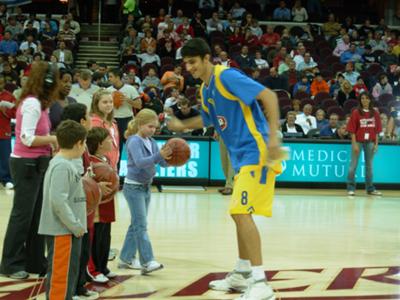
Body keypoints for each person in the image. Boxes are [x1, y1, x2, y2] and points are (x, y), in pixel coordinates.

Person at [168, 38, 284, 299]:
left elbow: (269, 96)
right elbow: (208, 119)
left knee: (241, 212)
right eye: (186, 63)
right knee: (237, 214)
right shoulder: (205, 89)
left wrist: (274, 137)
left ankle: (261, 282)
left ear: (207, 58)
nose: (190, 68)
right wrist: (180, 126)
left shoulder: (226, 77)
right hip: (242, 157)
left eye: (193, 62)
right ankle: (243, 274)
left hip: (257, 151)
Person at [0, 62, 59, 279]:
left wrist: (50, 142)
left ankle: (35, 261)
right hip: (25, 164)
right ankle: (10, 263)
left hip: (38, 163)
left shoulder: (41, 104)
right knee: (22, 216)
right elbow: (26, 138)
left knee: (37, 217)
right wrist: (54, 138)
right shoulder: (33, 103)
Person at [38, 120, 87, 300]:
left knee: (67, 278)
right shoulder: (61, 166)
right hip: (62, 232)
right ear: (78, 143)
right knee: (61, 280)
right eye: (85, 142)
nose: (85, 147)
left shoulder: (65, 163)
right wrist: (75, 225)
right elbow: (58, 201)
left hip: (67, 231)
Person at [118, 109, 172, 274]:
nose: (152, 130)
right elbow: (141, 163)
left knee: (136, 225)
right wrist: (159, 155)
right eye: (150, 126)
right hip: (133, 188)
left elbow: (161, 163)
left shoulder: (152, 141)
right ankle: (147, 262)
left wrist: (173, 158)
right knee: (141, 225)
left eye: (155, 127)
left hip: (146, 186)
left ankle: (125, 259)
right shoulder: (134, 141)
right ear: (140, 124)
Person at [88, 89, 119, 282]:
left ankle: (103, 266)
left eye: (110, 102)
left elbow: (115, 150)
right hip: (98, 175)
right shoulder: (94, 123)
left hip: (110, 172)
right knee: (97, 225)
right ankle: (93, 268)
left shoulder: (113, 123)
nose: (108, 105)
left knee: (106, 224)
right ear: (96, 104)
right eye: (104, 102)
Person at [346, 92, 382, 196]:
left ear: (370, 99)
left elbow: (376, 131)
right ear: (360, 100)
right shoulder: (356, 112)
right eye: (362, 98)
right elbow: (352, 130)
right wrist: (354, 145)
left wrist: (376, 144)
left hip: (370, 142)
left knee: (369, 166)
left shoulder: (375, 113)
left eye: (367, 98)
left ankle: (370, 189)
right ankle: (350, 188)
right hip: (358, 141)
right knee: (353, 165)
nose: (365, 100)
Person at [107, 68, 142, 171]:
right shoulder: (107, 90)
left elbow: (139, 105)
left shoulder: (130, 89)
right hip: (113, 121)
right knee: (115, 150)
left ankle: (135, 173)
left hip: (127, 120)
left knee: (132, 148)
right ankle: (115, 175)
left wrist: (128, 100)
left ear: (118, 77)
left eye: (111, 76)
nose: (109, 79)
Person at [0, 74, 16, 190]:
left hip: (4, 131)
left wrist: (5, 111)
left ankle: (6, 179)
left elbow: (15, 113)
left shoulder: (9, 96)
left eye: (1, 83)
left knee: (5, 157)